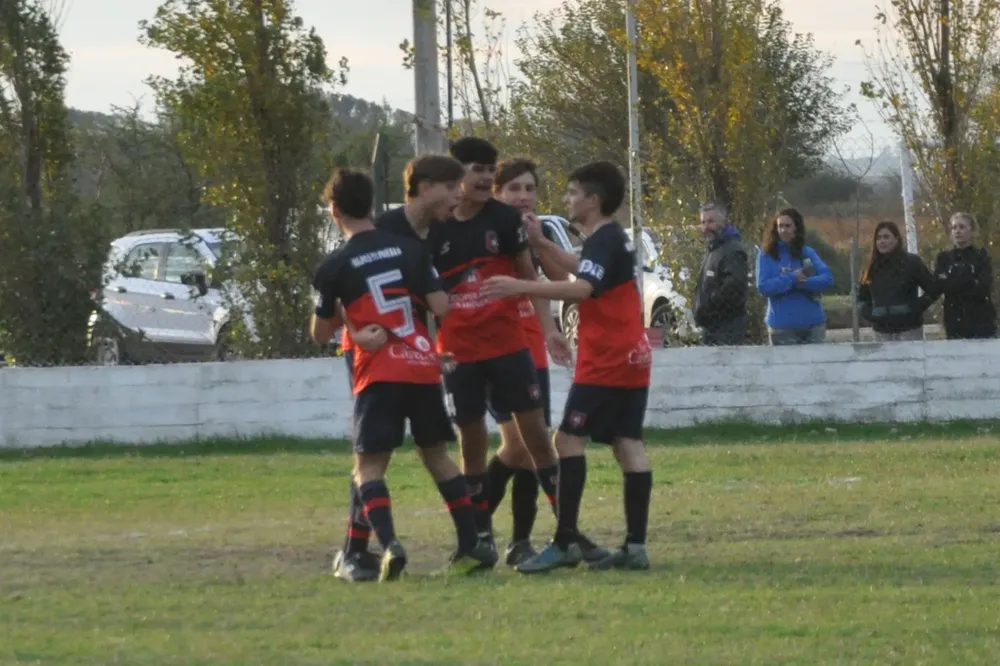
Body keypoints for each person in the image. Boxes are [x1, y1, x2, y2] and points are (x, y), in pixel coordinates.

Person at [312, 168, 495, 582]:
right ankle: (473, 544)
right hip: (421, 365)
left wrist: (356, 327)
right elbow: (441, 305)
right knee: (438, 457)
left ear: (335, 211)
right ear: (371, 205)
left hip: (379, 370)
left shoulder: (336, 265)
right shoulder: (410, 251)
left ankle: (389, 544)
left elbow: (321, 333)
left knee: (368, 466)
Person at [482, 160, 653, 573]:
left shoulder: (604, 239)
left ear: (593, 200)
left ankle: (563, 541)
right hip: (633, 356)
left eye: (573, 193)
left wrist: (521, 285)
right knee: (627, 443)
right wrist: (541, 243)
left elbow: (582, 288)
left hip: (607, 360)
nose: (567, 199)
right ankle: (634, 547)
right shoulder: (609, 238)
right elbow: (579, 269)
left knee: (566, 441)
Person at [430, 137, 570, 564]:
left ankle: (554, 536)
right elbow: (420, 290)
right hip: (460, 351)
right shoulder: (434, 225)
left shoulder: (508, 223)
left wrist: (549, 329)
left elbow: (536, 279)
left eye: (492, 170)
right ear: (456, 174)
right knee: (481, 445)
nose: (487, 178)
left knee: (535, 441)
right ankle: (480, 537)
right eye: (479, 169)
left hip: (513, 347)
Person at [755, 208, 835, 345]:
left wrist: (801, 282)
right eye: (780, 226)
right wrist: (791, 277)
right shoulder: (766, 255)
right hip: (781, 328)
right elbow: (764, 287)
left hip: (813, 326)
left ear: (796, 228)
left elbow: (827, 279)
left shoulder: (807, 252)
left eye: (788, 226)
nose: (783, 230)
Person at [858, 220, 938, 341]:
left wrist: (916, 308)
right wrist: (870, 313)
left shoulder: (912, 262)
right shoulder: (870, 267)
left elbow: (933, 290)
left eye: (886, 237)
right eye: (878, 238)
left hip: (909, 329)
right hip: (881, 331)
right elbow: (861, 297)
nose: (882, 241)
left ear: (896, 239)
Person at [934, 212, 997, 340]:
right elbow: (938, 285)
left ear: (972, 231)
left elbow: (983, 286)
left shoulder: (981, 256)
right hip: (954, 320)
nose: (957, 231)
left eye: (962, 227)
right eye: (954, 227)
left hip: (981, 320)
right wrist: (968, 280)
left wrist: (951, 281)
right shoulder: (944, 259)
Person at [693, 202, 749, 345]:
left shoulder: (733, 250)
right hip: (712, 328)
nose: (706, 227)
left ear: (724, 222)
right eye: (703, 222)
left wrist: (708, 306)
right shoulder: (714, 250)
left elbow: (733, 288)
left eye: (711, 221)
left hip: (727, 329)